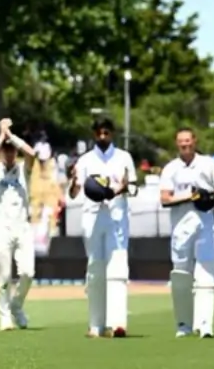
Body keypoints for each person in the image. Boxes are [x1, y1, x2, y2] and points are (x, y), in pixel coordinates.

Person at [68, 117, 136, 338]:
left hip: (117, 217)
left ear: (112, 134)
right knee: (95, 269)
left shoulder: (124, 158)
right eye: (99, 133)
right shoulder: (85, 160)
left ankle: (117, 323)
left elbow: (133, 188)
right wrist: (73, 182)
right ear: (94, 135)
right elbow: (74, 193)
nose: (103, 137)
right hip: (92, 218)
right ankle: (95, 324)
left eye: (106, 133)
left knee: (117, 268)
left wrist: (121, 189)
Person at [160, 126, 214, 339]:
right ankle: (183, 324)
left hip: (205, 223)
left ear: (194, 141)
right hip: (181, 228)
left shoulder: (208, 163)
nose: (185, 144)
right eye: (181, 141)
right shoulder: (171, 168)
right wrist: (190, 197)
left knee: (206, 272)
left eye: (188, 140)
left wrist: (208, 197)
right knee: (181, 275)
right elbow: (165, 198)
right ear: (177, 143)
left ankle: (205, 324)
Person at [0, 117, 37, 330]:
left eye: (12, 149)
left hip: (22, 227)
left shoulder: (24, 170)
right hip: (1, 227)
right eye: (6, 150)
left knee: (28, 273)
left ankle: (16, 305)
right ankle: (4, 315)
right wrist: (1, 135)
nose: (9, 153)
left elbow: (32, 154)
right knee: (4, 275)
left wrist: (11, 136)